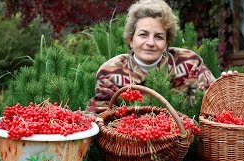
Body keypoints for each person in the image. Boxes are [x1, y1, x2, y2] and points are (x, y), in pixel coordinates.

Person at [86, 0, 235, 115]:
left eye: (159, 37)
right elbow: (99, 116)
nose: (150, 43)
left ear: (166, 43)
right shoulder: (110, 72)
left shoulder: (189, 63)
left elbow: (213, 103)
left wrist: (228, 89)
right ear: (131, 39)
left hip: (185, 145)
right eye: (143, 34)